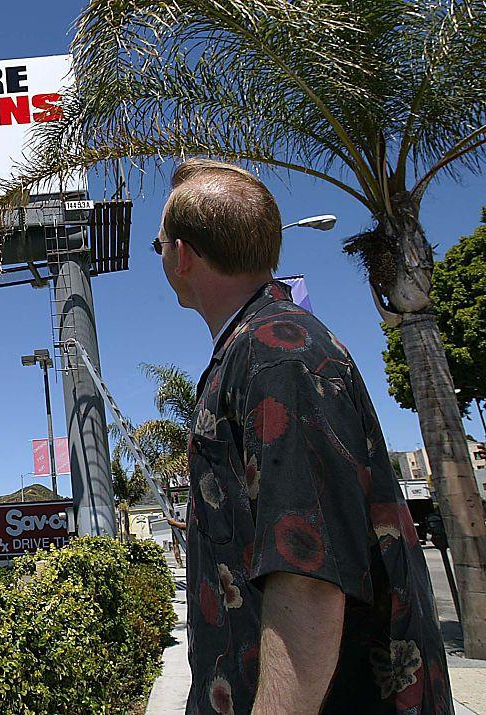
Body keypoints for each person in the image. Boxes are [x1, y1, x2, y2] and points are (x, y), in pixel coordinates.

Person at [156, 159, 452, 713]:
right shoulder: (258, 348)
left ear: (184, 255)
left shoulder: (276, 358)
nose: (163, 258)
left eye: (160, 246)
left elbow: (307, 575)